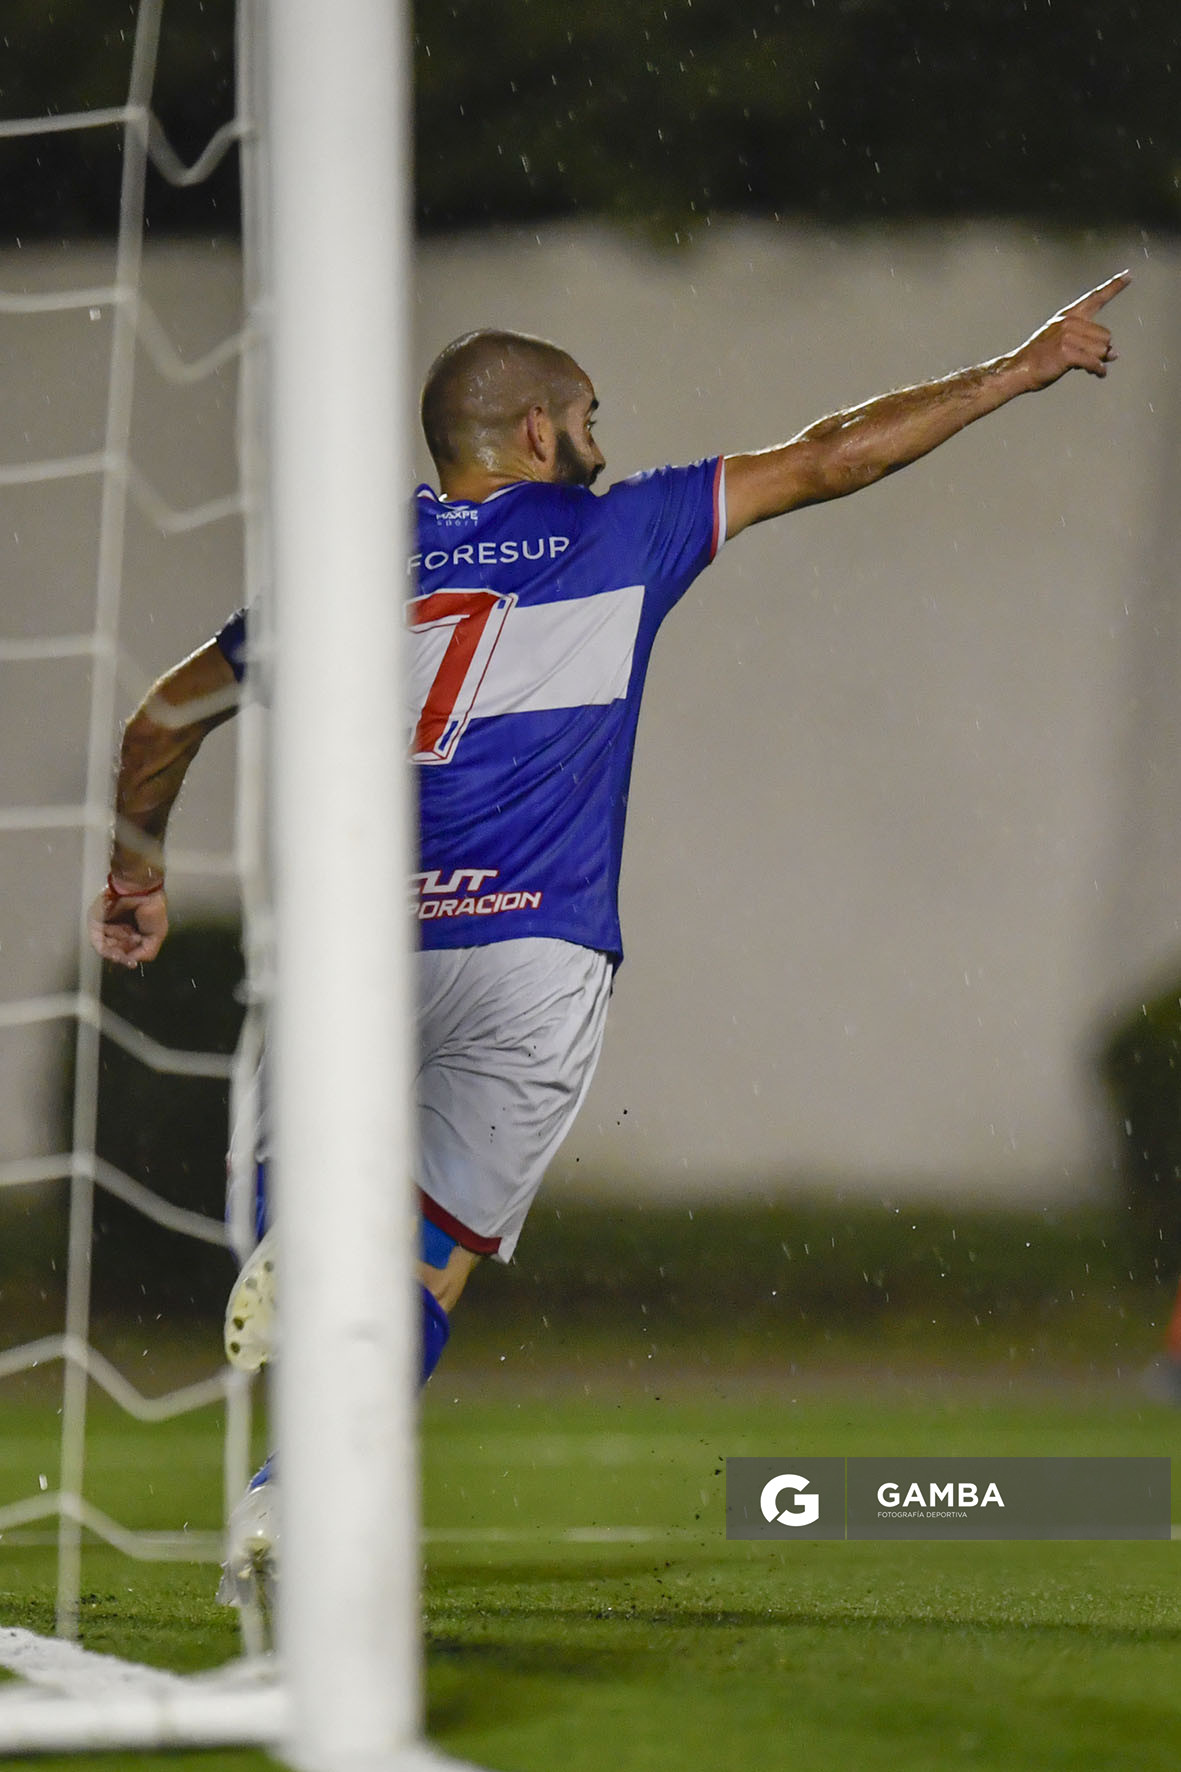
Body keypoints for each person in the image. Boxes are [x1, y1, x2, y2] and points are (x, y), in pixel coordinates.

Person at [88, 272, 1129, 1592]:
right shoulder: (616, 530)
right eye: (587, 414)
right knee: (430, 1265)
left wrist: (137, 867)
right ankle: (293, 1491)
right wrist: (1013, 371)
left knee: (303, 1207)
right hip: (538, 953)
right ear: (535, 432)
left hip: (359, 949)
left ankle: (297, 1273)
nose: (601, 437)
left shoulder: (346, 573)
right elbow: (827, 459)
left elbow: (157, 720)